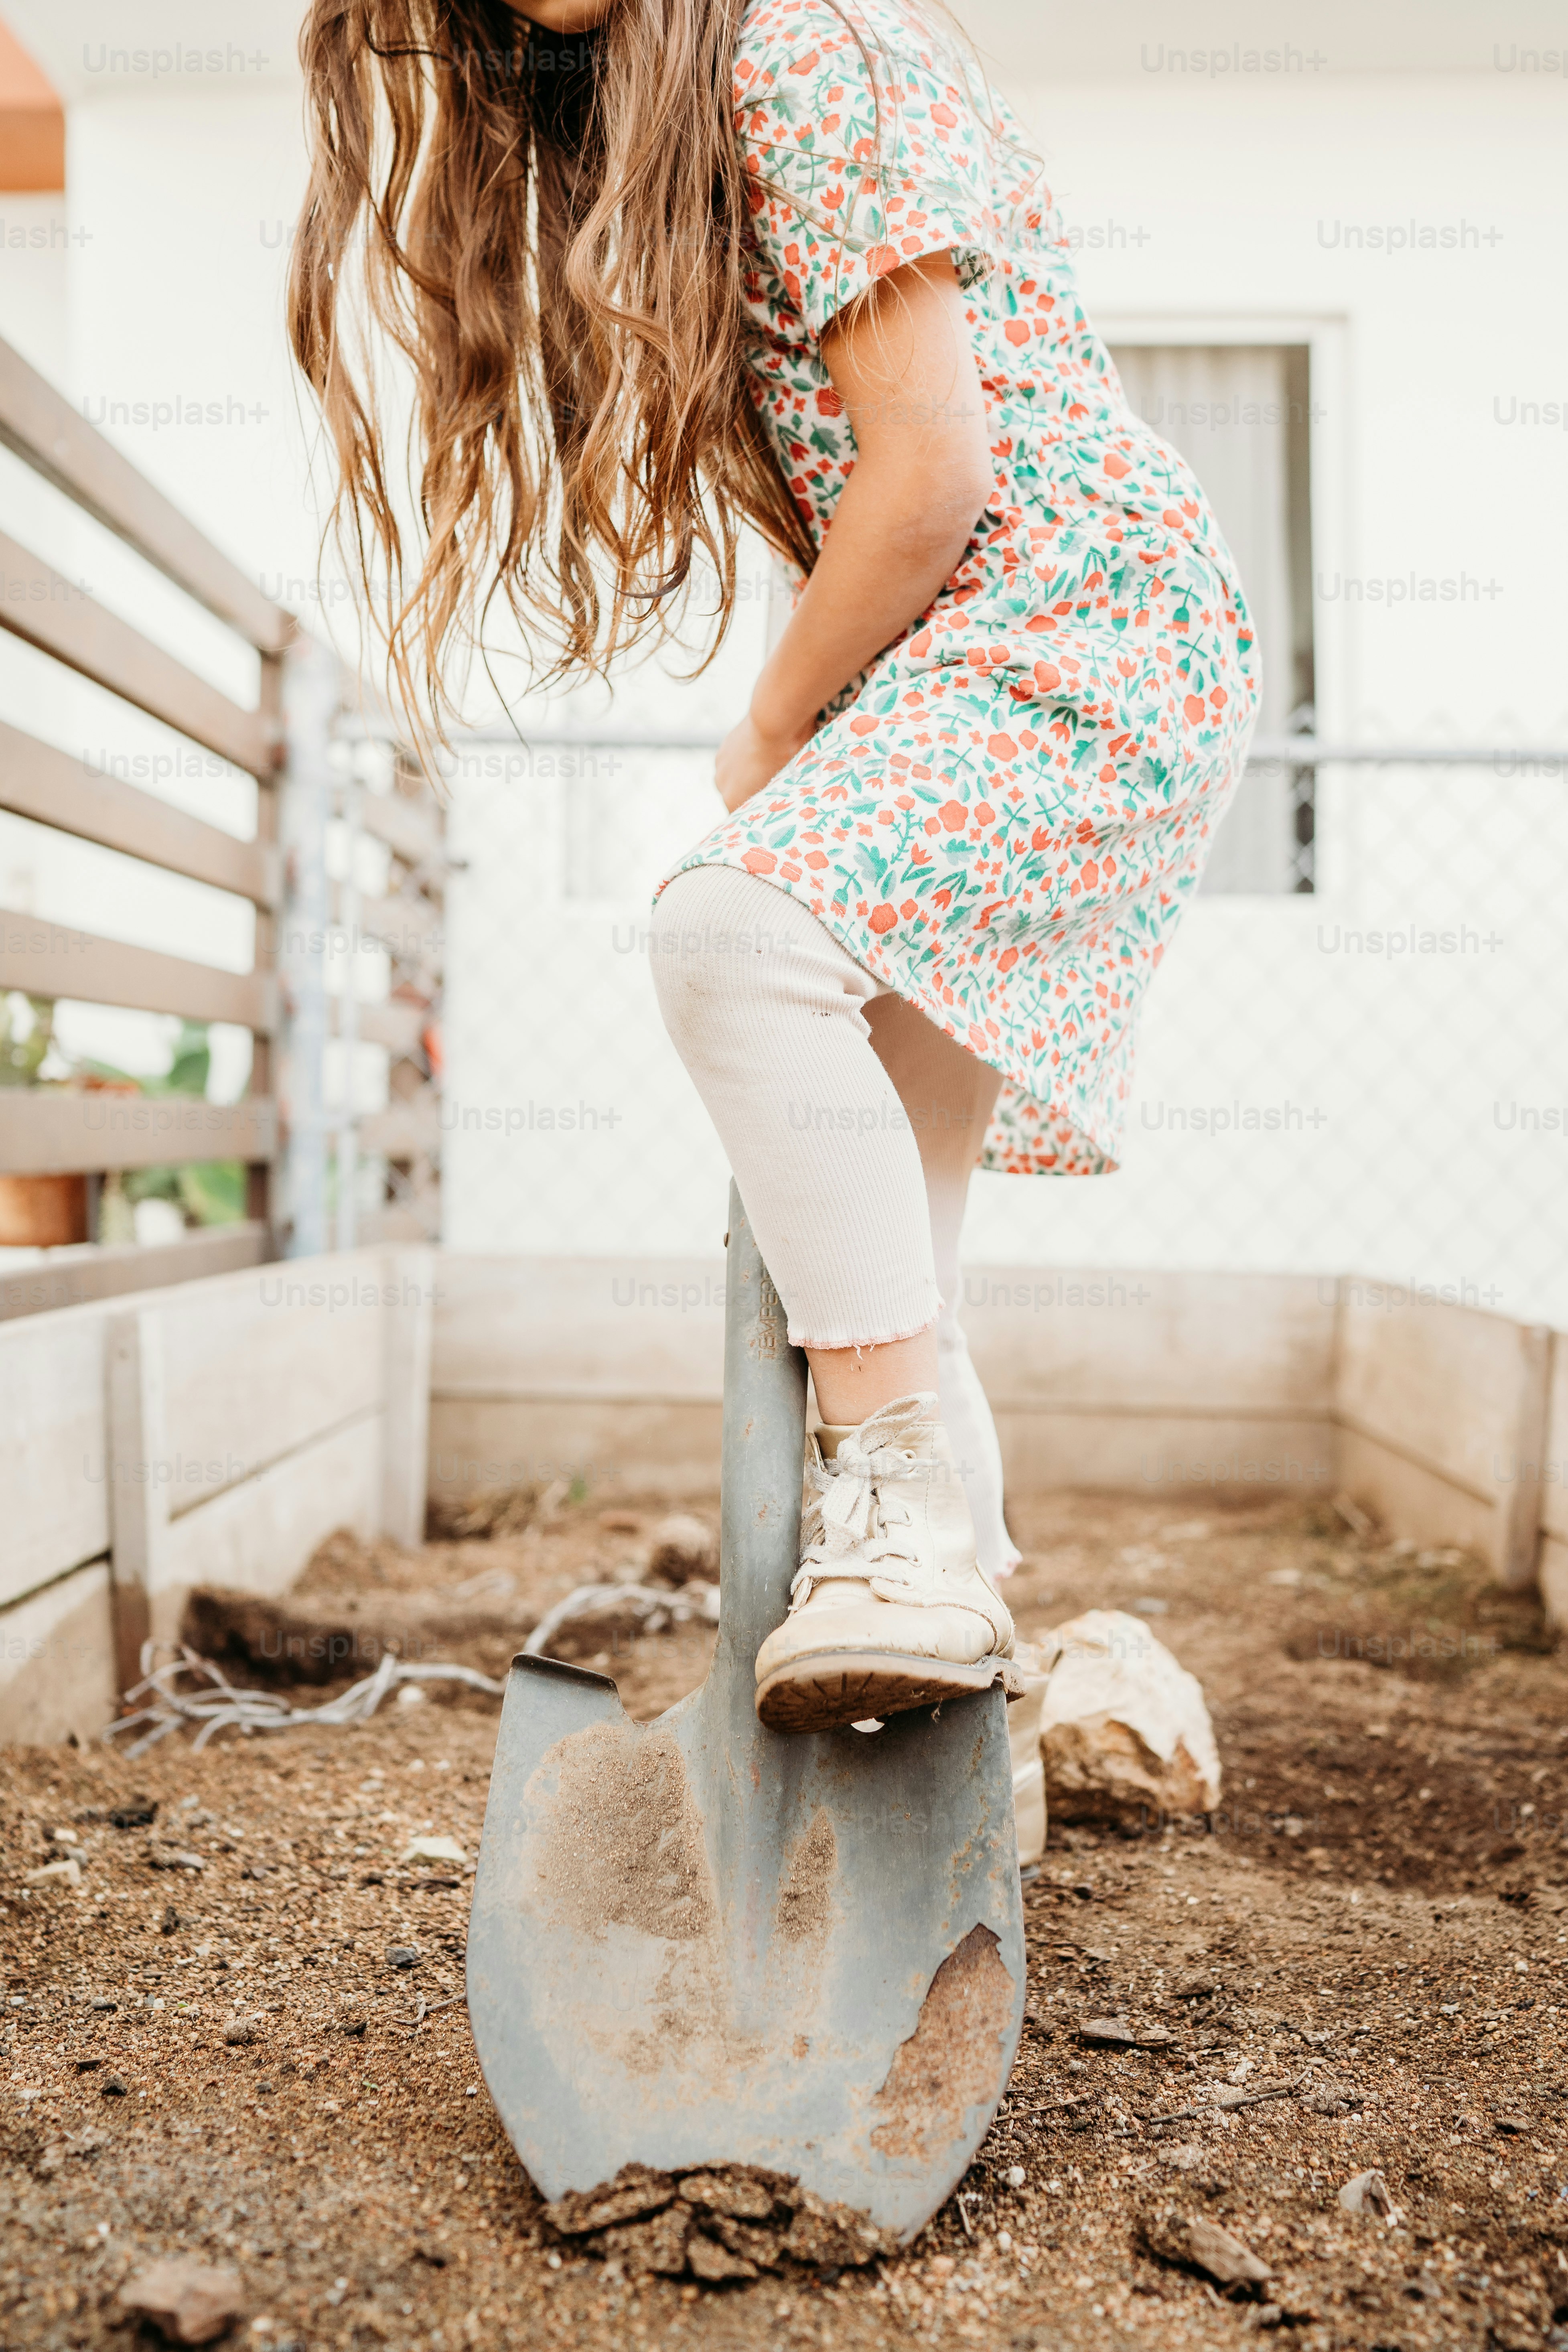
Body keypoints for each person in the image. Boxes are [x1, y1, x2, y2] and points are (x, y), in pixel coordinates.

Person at [290, 0, 1258, 1737]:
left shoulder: (800, 44)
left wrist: (773, 723)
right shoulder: (699, 103)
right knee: (897, 1267)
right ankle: (966, 1744)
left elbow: (937, 463)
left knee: (734, 934)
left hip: (1076, 624)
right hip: (992, 644)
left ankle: (896, 1534)